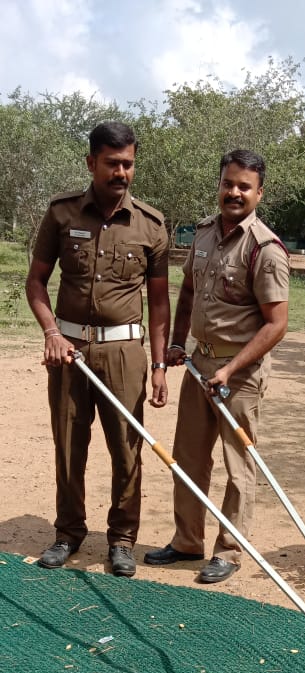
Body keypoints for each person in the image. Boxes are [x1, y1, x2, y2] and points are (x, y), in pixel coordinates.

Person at [26, 121, 170, 577]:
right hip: (68, 351)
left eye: (128, 163)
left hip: (125, 353)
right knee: (70, 446)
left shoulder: (151, 225)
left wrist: (161, 365)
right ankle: (68, 533)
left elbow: (161, 303)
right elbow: (36, 282)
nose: (121, 172)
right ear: (91, 163)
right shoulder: (62, 214)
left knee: (127, 451)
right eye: (112, 163)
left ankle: (122, 540)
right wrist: (51, 332)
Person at [144, 148, 289, 583]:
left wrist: (230, 369)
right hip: (198, 365)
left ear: (259, 193)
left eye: (244, 186)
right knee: (188, 458)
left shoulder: (265, 249)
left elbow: (276, 324)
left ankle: (229, 550)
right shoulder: (204, 235)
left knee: (238, 464)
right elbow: (187, 293)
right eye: (228, 183)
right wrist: (174, 343)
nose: (234, 192)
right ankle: (187, 541)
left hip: (238, 375)